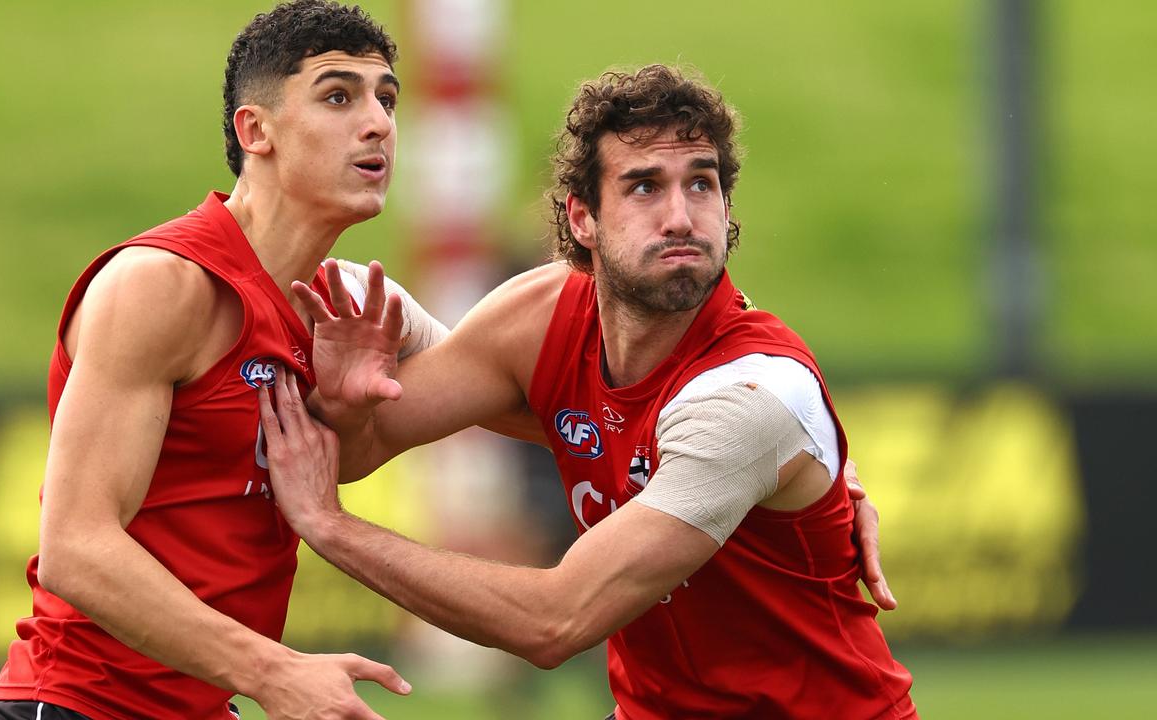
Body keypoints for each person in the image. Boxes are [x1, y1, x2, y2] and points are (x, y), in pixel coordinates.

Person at [260, 64, 916, 718]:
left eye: (702, 184)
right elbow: (358, 449)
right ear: (582, 218)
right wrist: (348, 402)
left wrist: (332, 528)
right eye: (643, 188)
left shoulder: (748, 399)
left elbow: (555, 623)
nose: (681, 216)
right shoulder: (540, 320)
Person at [0, 3, 428, 719]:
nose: (377, 122)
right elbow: (76, 547)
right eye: (339, 95)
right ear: (256, 131)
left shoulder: (345, 304)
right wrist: (273, 671)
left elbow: (514, 383)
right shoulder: (163, 283)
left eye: (387, 98)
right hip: (75, 707)